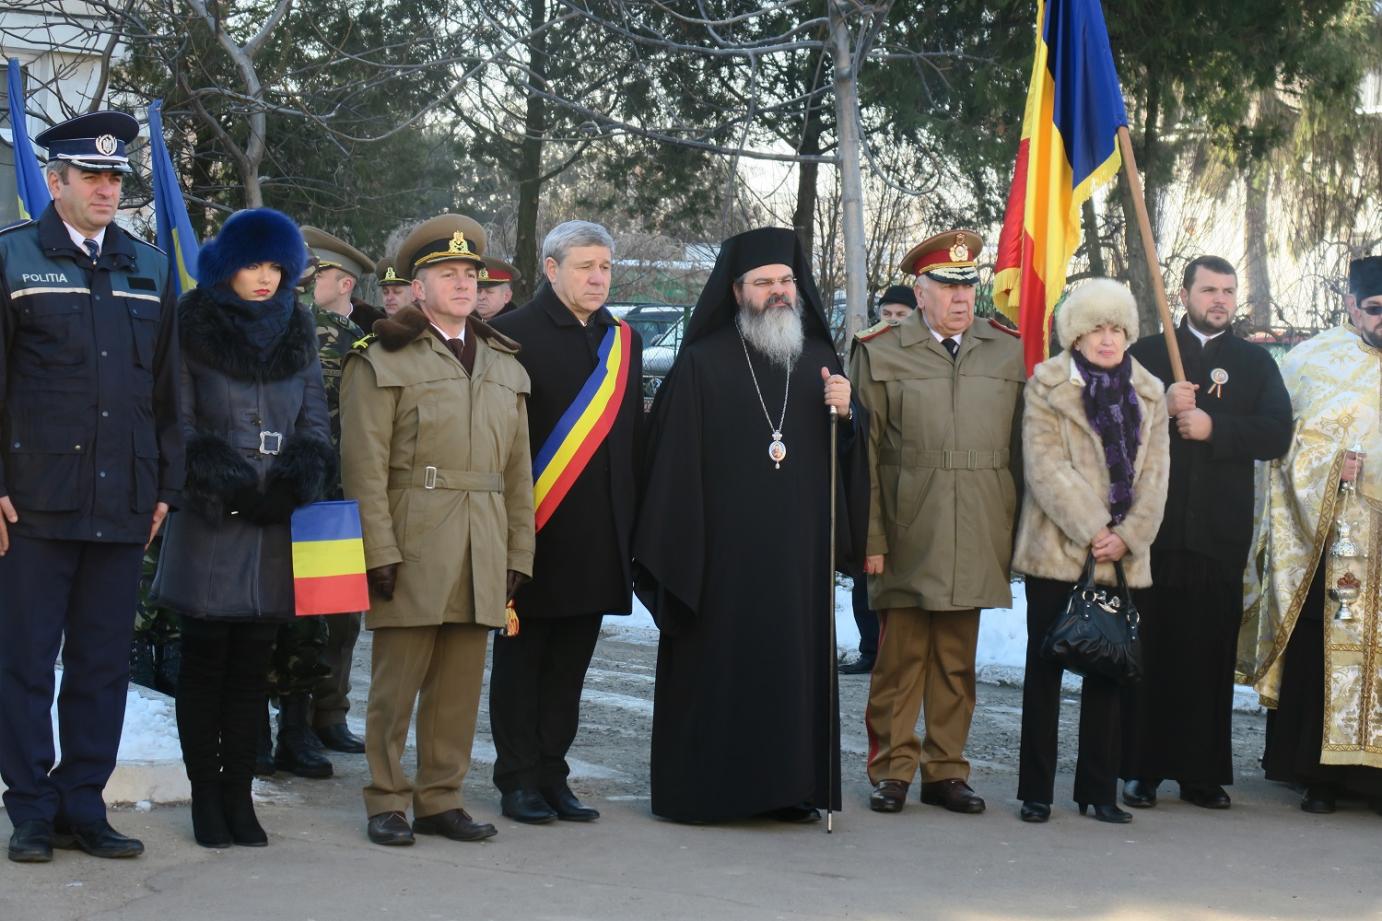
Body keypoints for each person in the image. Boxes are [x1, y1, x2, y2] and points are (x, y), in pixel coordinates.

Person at [634, 226, 867, 824]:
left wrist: (850, 414)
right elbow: (671, 466)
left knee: (792, 668)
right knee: (722, 667)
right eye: (763, 283)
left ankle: (790, 790)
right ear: (736, 291)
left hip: (796, 556)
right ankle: (714, 792)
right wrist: (685, 548)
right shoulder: (703, 363)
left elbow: (844, 459)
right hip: (722, 558)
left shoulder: (819, 361)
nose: (779, 292)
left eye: (786, 280)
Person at [1, 111, 184, 864]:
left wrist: (165, 486)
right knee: (23, 662)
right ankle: (32, 809)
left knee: (104, 664)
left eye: (117, 178)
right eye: (95, 177)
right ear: (56, 182)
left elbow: (170, 392)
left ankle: (85, 802)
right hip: (34, 503)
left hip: (123, 501)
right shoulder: (12, 262)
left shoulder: (148, 266)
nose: (109, 188)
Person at [341, 213, 535, 846]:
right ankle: (387, 798)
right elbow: (363, 466)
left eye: (469, 274)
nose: (461, 283)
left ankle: (439, 797)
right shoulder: (382, 358)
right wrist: (378, 548)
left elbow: (517, 472)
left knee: (457, 685)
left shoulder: (505, 364)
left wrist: (517, 551)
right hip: (414, 534)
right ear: (416, 287)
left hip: (483, 538)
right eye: (445, 273)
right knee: (397, 684)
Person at [151, 208, 333, 848]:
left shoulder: (298, 326)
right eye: (254, 264)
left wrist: (291, 483)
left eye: (277, 266)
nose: (265, 278)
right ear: (227, 266)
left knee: (254, 668)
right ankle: (207, 796)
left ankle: (239, 797)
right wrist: (226, 483)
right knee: (204, 665)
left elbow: (314, 420)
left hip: (273, 525)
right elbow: (179, 420)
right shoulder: (191, 321)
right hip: (209, 521)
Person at [851, 230, 1023, 815]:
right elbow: (864, 456)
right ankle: (892, 770)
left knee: (956, 658)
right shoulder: (879, 348)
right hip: (907, 522)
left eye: (968, 287)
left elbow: (1023, 448)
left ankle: (946, 771)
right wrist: (869, 538)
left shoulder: (1005, 349)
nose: (961, 299)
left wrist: (1017, 532)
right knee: (899, 659)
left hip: (980, 520)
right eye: (947, 287)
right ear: (919, 291)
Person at [1120, 257, 1291, 810]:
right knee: (1149, 649)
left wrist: (1214, 427)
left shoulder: (1255, 362)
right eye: (1208, 289)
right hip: (1155, 530)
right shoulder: (1147, 354)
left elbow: (1276, 432)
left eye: (1227, 291)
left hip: (1218, 533)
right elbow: (1109, 422)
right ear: (1186, 293)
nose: (1219, 299)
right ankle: (1140, 769)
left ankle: (1200, 773)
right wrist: (1161, 409)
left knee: (1207, 654)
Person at [488, 222, 643, 824]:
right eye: (585, 266)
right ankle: (516, 779)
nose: (598, 277)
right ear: (552, 270)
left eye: (605, 266)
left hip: (599, 536)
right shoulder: (508, 335)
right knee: (522, 664)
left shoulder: (620, 340)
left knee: (571, 667)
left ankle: (553, 774)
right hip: (532, 535)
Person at [1011, 279, 1170, 824]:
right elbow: (1044, 466)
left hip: (1124, 554)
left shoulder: (1150, 392)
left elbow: (1155, 474)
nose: (1108, 339)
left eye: (1118, 329)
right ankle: (1036, 790)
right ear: (1075, 336)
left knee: (1110, 666)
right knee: (1045, 667)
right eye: (1097, 328)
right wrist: (1097, 527)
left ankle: (1098, 791)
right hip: (1059, 548)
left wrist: (1128, 536)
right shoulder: (1046, 385)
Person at [1241, 255, 1382, 814]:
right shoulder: (1311, 361)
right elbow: (1282, 443)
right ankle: (1323, 775)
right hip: (1338, 535)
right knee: (1329, 652)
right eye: (1375, 309)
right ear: (1351, 305)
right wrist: (1329, 468)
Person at [300, 226, 377, 754]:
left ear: (343, 282)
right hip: (297, 492)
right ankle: (291, 719)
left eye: (314, 274)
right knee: (291, 613)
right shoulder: (292, 329)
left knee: (340, 614)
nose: (303, 281)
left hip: (342, 497)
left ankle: (330, 713)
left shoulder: (368, 341)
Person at [841, 284, 919, 676]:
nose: (892, 322)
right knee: (864, 576)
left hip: (911, 487)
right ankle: (871, 649)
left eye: (900, 316)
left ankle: (900, 653)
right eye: (886, 315)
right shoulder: (867, 352)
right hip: (870, 478)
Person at [303, 225, 383, 332]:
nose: (305, 281)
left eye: (317, 276)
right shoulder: (286, 325)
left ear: (345, 285)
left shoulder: (374, 333)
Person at [476, 256, 518, 320]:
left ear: (507, 296)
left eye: (489, 292)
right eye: (478, 291)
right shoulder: (468, 322)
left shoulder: (516, 326)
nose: (481, 297)